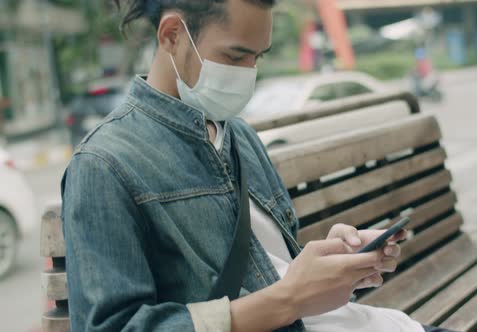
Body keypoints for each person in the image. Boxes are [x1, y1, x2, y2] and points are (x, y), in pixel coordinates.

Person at [61, 1, 451, 331]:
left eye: (257, 57)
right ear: (172, 35)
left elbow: (271, 271)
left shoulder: (239, 136)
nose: (248, 71)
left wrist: (336, 265)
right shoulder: (103, 166)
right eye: (235, 56)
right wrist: (290, 299)